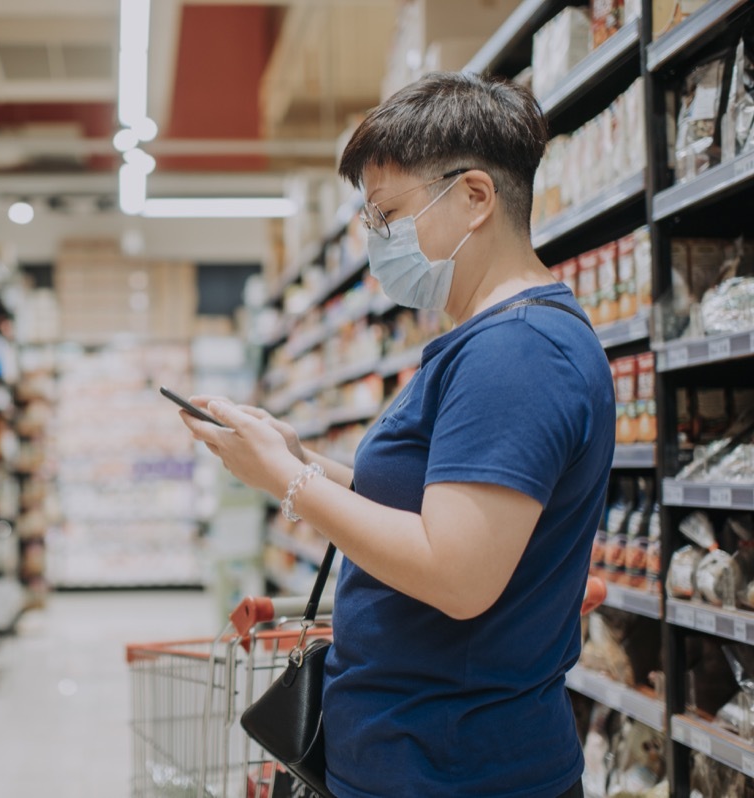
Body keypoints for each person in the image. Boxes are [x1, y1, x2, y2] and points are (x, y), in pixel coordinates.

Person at [178, 72, 615, 798]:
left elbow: (457, 575)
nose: (376, 238)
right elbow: (430, 505)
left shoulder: (518, 353)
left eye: (388, 213)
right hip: (417, 758)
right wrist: (297, 461)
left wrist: (290, 484)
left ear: (476, 197)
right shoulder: (489, 342)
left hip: (457, 771)